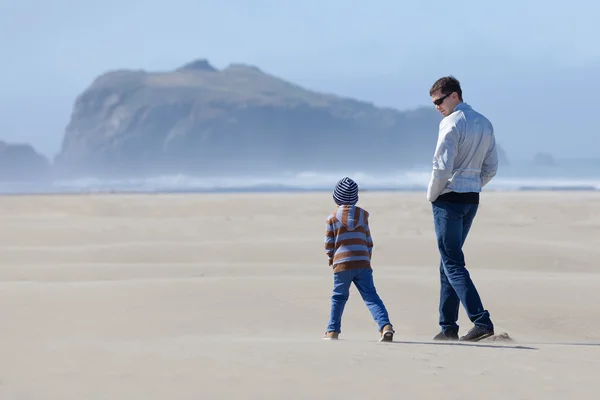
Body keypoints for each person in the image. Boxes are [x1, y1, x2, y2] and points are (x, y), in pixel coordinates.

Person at [427, 76, 498, 342]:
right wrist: (473, 185)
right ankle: (448, 327)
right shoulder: (484, 122)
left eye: (439, 101)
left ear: (454, 96)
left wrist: (433, 195)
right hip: (471, 199)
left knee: (453, 262)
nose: (437, 107)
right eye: (434, 103)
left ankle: (481, 321)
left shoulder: (451, 123)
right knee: (449, 261)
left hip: (449, 199)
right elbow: (491, 167)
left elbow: (441, 167)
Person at [322, 177, 394, 342]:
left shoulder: (332, 218)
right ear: (356, 198)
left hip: (342, 264)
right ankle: (385, 327)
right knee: (371, 296)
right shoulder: (363, 217)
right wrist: (366, 258)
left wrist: (331, 259)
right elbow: (369, 242)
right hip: (363, 263)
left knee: (338, 298)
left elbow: (329, 244)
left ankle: (332, 331)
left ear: (336, 198)